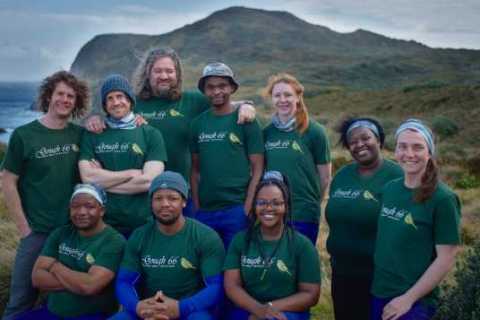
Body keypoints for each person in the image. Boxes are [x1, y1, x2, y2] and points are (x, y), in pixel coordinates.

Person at [1, 70, 89, 320]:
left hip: (71, 235)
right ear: (49, 96)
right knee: (20, 301)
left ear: (77, 101)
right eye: (60, 93)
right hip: (36, 232)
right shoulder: (24, 135)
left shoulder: (79, 135)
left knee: (61, 303)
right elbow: (8, 181)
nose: (65, 99)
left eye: (71, 96)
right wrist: (23, 228)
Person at [371, 119, 461, 320]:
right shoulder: (389, 189)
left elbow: (446, 258)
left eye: (418, 147)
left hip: (414, 302)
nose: (409, 154)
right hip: (379, 292)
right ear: (395, 151)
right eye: (402, 146)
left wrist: (408, 299)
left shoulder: (443, 199)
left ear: (429, 153)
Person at [111, 171, 225, 320]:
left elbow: (216, 286)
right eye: (158, 198)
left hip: (189, 310)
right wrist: (138, 307)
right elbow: (124, 281)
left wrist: (180, 308)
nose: (165, 204)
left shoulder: (205, 236)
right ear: (151, 202)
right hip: (148, 309)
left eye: (173, 198)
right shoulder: (139, 236)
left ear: (184, 202)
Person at [325, 117, 403, 320]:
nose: (359, 144)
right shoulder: (342, 175)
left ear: (379, 140)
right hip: (342, 273)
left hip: (379, 277)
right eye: (353, 141)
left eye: (365, 138)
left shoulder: (396, 176)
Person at [16, 184, 126, 320]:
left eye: (89, 206)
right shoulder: (60, 233)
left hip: (91, 315)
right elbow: (37, 278)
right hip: (52, 312)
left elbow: (90, 286)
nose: (81, 212)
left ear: (102, 210)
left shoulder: (114, 241)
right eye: (75, 206)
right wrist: (80, 283)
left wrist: (54, 266)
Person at [224, 171, 321, 320]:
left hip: (287, 311)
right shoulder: (240, 240)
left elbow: (310, 294)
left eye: (276, 203)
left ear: (286, 206)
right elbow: (231, 286)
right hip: (248, 308)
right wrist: (258, 310)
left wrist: (268, 309)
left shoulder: (302, 245)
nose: (268, 208)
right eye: (262, 202)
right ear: (254, 206)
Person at [79, 74, 167, 237]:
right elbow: (88, 178)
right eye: (110, 98)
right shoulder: (92, 134)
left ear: (130, 100)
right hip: (103, 225)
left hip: (143, 225)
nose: (116, 102)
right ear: (105, 105)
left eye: (120, 96)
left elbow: (148, 181)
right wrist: (131, 174)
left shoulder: (150, 133)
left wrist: (103, 182)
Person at [190, 62, 264, 248]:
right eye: (211, 87)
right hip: (205, 212)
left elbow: (258, 168)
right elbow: (195, 170)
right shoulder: (197, 124)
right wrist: (197, 208)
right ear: (204, 90)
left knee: (235, 268)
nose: (217, 92)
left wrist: (248, 206)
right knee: (209, 266)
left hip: (236, 210)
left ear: (232, 87)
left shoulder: (246, 121)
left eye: (222, 86)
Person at [262, 73, 331, 244]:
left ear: (298, 97)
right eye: (277, 95)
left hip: (303, 214)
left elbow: (325, 177)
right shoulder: (266, 133)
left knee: (300, 265)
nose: (282, 100)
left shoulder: (315, 132)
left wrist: (312, 202)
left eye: (288, 95)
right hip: (272, 213)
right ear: (272, 99)